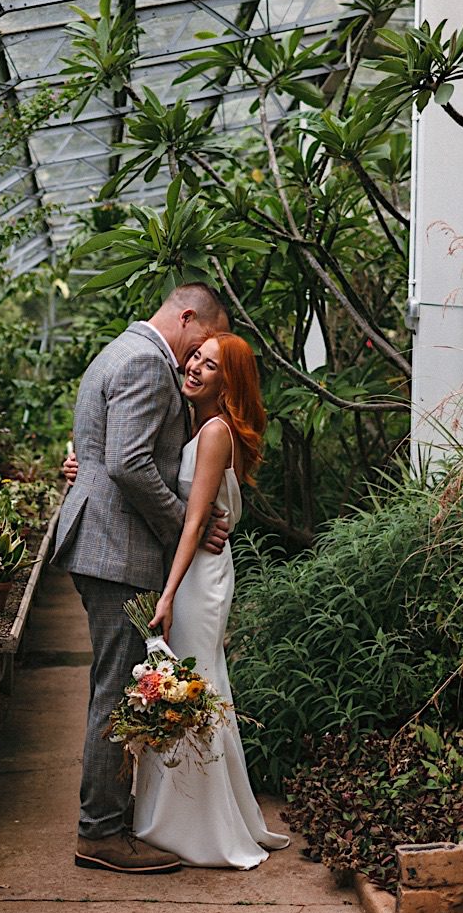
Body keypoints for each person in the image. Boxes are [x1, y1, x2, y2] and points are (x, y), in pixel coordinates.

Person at [48, 283, 231, 875]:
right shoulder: (149, 364)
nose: (195, 359)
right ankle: (98, 833)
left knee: (117, 684)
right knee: (114, 690)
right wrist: (188, 527)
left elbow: (102, 451)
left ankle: (109, 820)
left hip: (99, 545)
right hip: (117, 552)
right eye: (200, 342)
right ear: (185, 317)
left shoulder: (116, 350)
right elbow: (128, 462)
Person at [131, 332, 289, 868]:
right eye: (195, 356)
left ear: (230, 382)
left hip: (198, 579)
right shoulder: (198, 427)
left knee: (196, 689)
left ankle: (201, 825)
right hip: (194, 570)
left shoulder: (216, 432)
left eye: (211, 365)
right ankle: (176, 814)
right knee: (191, 686)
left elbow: (196, 520)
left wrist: (169, 594)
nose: (195, 367)